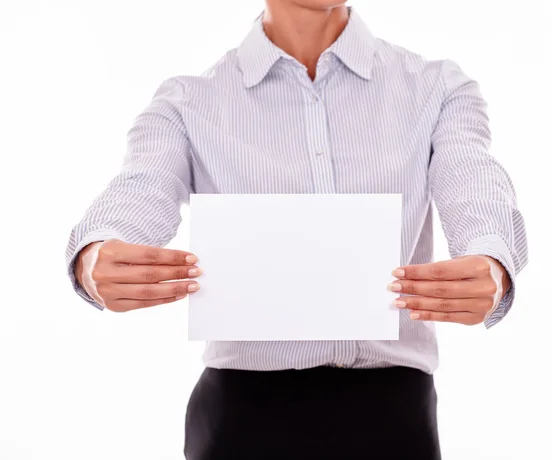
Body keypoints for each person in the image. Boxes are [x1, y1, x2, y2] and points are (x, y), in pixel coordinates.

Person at [66, 1, 528, 459]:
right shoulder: (188, 102)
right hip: (241, 419)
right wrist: (95, 253)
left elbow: (473, 177)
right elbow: (142, 186)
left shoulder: (438, 88)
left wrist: (489, 257)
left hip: (393, 417)